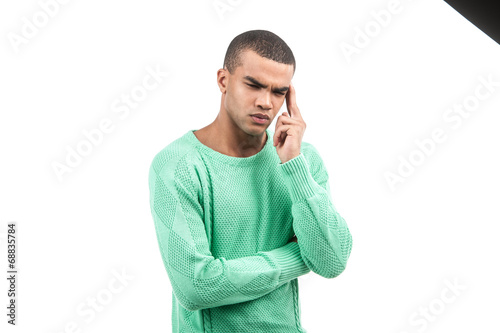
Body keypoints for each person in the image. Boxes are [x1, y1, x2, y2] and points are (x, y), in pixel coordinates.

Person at [148, 29, 353, 333]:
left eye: (278, 92)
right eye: (253, 85)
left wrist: (294, 166)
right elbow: (196, 286)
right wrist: (297, 257)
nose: (266, 103)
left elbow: (332, 260)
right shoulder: (178, 166)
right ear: (223, 80)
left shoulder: (302, 160)